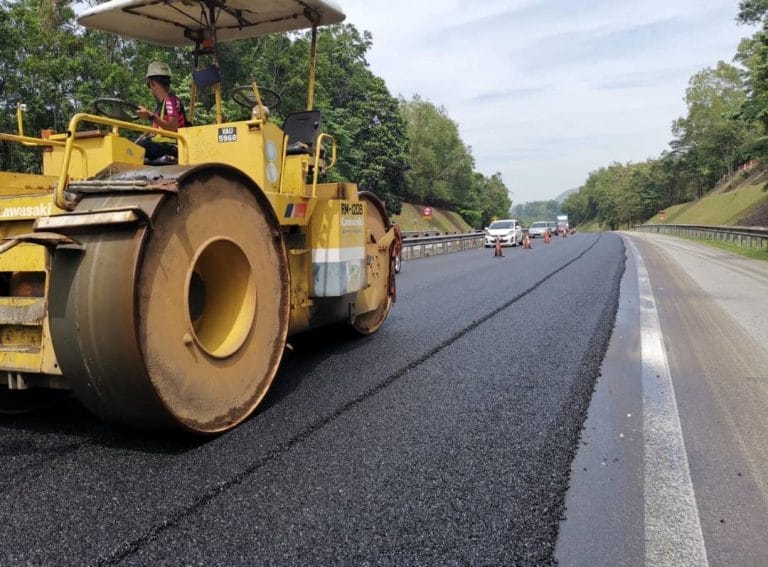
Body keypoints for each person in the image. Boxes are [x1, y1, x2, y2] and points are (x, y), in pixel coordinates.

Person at [135, 61, 187, 161]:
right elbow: (158, 133)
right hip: (163, 145)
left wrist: (150, 115)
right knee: (131, 143)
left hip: (173, 147)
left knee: (141, 145)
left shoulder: (170, 101)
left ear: (152, 83)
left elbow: (172, 127)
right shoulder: (160, 106)